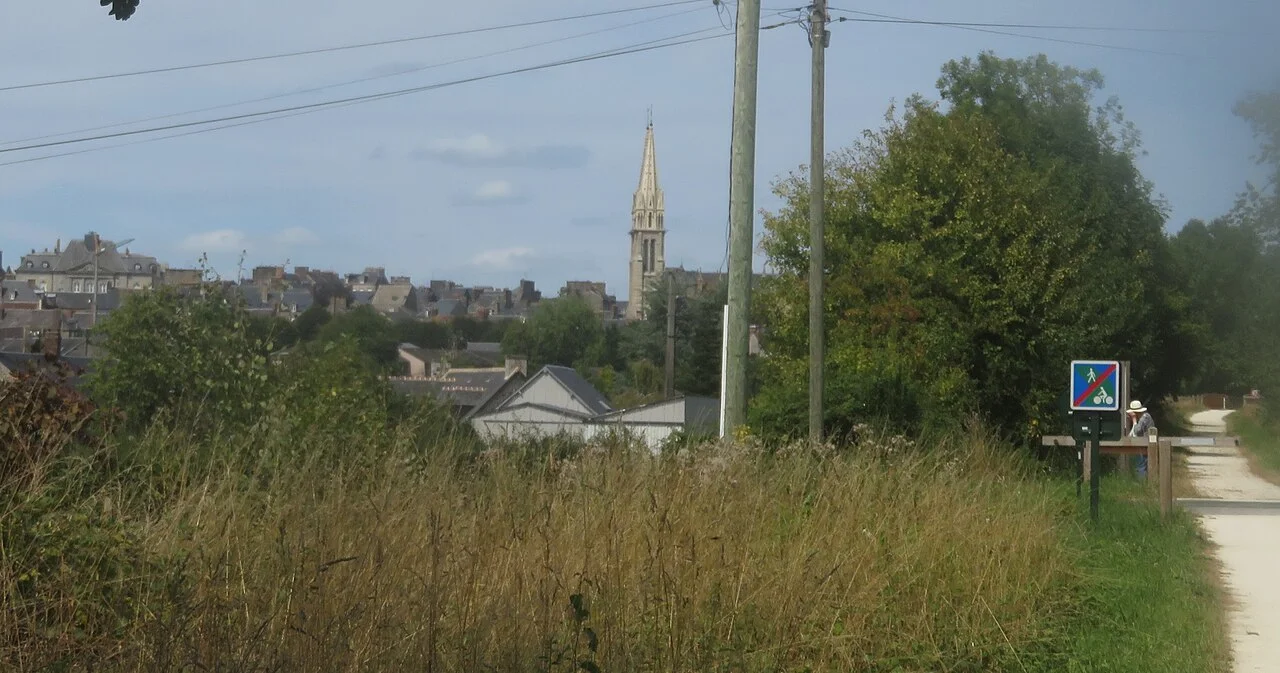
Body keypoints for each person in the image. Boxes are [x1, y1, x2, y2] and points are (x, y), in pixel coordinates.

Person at [1128, 400, 1155, 478]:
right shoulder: (1143, 417)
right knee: (1140, 465)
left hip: (1144, 445)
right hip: (1143, 445)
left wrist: (1134, 420)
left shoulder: (1144, 417)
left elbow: (1137, 431)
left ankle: (1141, 484)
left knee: (1140, 467)